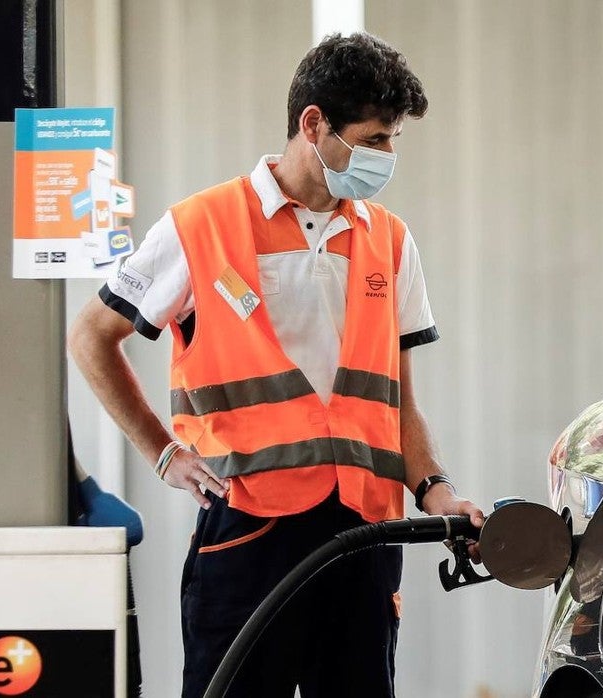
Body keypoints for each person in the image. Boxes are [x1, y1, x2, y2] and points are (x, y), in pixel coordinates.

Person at [68, 32, 484, 697]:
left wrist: (434, 488)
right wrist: (160, 451)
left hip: (364, 533)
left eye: (393, 140)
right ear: (313, 123)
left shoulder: (391, 242)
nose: (387, 156)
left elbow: (398, 397)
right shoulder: (199, 227)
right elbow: (91, 336)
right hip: (248, 534)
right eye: (374, 138)